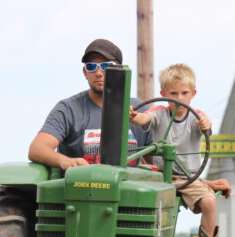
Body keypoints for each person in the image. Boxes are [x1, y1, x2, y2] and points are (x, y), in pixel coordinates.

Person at [128, 63, 232, 237]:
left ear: (193, 93)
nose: (180, 98)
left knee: (210, 202)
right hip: (158, 177)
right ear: (163, 94)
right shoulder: (158, 113)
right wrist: (133, 116)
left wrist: (206, 126)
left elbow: (205, 125)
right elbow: (144, 118)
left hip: (187, 178)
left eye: (184, 93)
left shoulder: (196, 116)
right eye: (173, 93)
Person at [29, 38, 152, 170]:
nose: (99, 73)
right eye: (91, 67)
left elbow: (157, 159)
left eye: (106, 66)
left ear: (120, 70)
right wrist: (65, 161)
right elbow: (37, 148)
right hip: (82, 187)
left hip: (128, 188)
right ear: (85, 73)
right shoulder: (68, 110)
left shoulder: (140, 110)